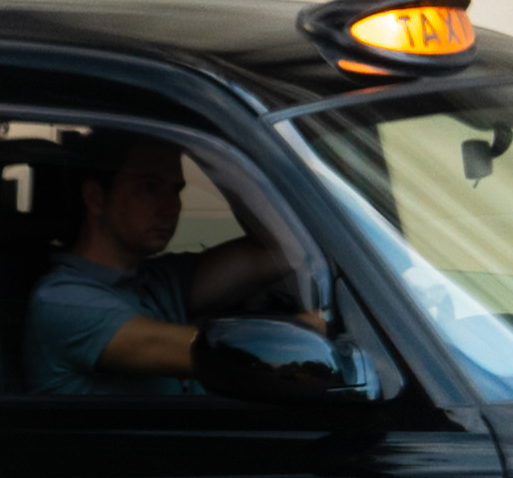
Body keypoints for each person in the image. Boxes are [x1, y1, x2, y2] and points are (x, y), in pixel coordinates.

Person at [20, 133, 303, 397]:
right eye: (149, 187)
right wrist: (309, 332)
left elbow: (278, 249)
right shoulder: (61, 301)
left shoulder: (159, 279)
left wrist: (214, 152)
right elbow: (206, 353)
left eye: (177, 189)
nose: (172, 208)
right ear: (96, 197)